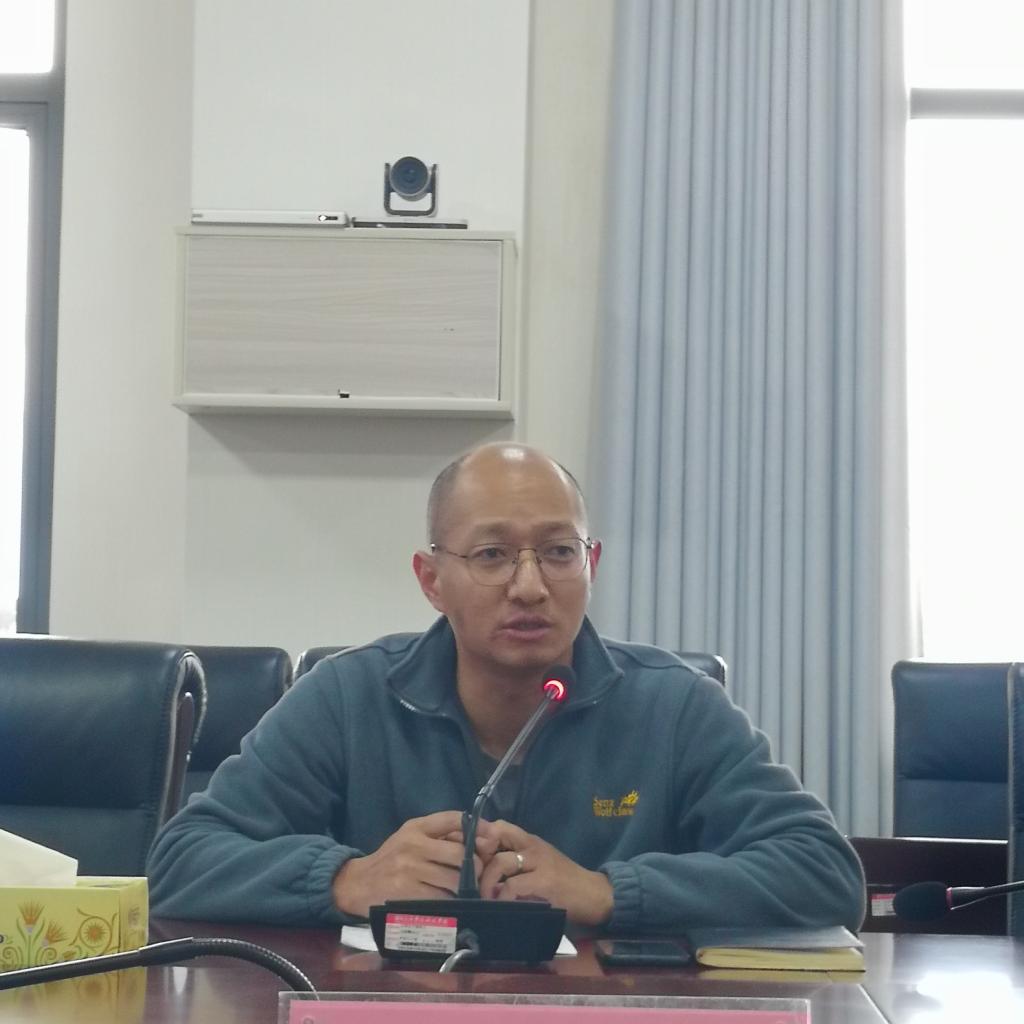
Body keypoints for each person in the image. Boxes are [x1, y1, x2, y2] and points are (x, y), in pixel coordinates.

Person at [148, 443, 865, 932]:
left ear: (591, 565)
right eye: (492, 554)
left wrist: (607, 892)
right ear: (432, 580)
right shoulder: (347, 697)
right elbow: (182, 862)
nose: (529, 586)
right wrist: (346, 880)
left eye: (558, 552)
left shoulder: (674, 706)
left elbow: (826, 873)